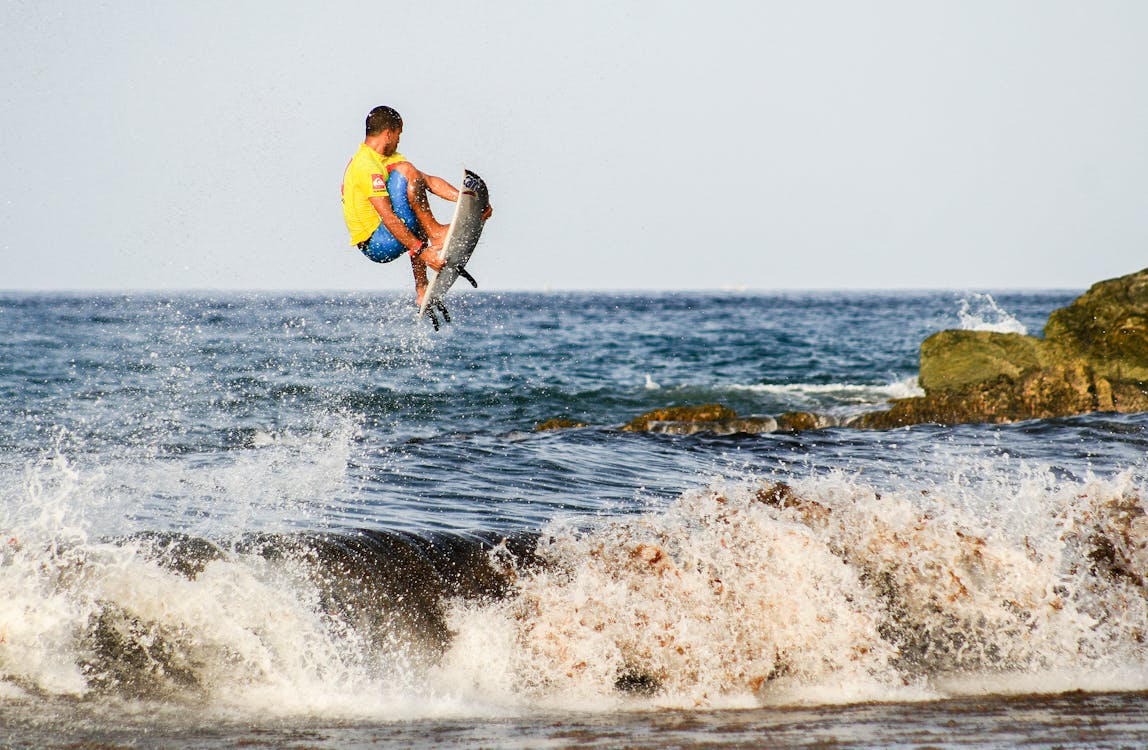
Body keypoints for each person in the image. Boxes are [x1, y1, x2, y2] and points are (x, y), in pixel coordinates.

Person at [341, 105, 490, 305]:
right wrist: (423, 252)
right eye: (398, 135)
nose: (399, 140)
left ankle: (421, 288)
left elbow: (427, 181)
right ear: (388, 134)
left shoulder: (387, 159)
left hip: (388, 234)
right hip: (376, 244)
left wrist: (468, 201)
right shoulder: (366, 165)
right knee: (407, 175)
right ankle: (436, 234)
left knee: (412, 185)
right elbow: (388, 217)